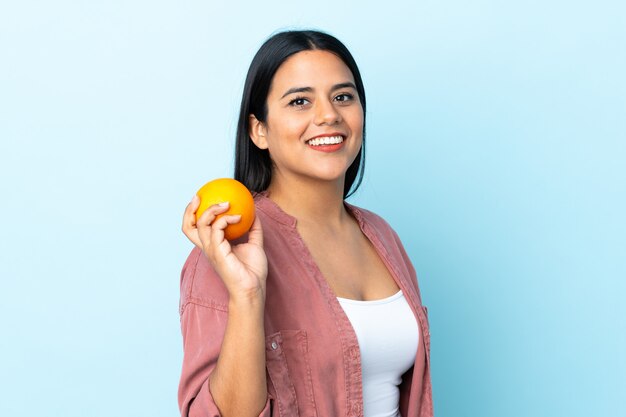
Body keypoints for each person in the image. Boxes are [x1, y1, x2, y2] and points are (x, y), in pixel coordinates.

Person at [178, 29, 433, 417]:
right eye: (300, 101)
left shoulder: (382, 236)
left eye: (343, 97)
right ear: (258, 130)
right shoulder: (230, 247)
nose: (328, 115)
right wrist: (247, 295)